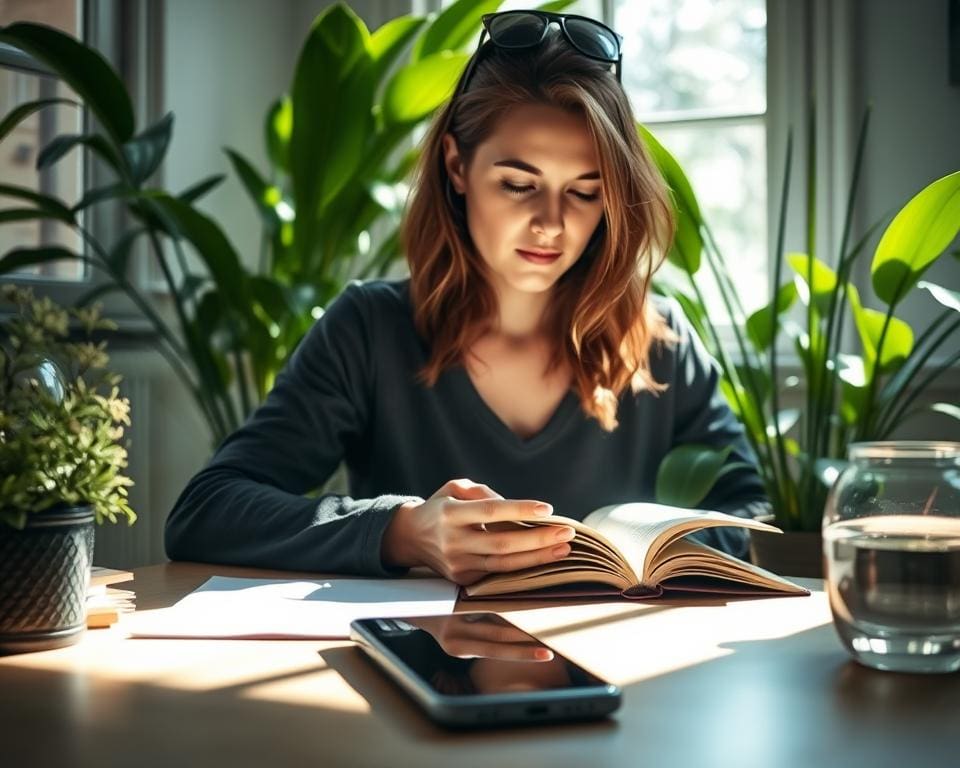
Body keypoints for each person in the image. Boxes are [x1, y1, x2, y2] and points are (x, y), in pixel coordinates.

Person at [165, 9, 769, 584]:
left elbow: (753, 512)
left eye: (584, 193)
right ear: (457, 166)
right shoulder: (369, 329)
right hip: (420, 670)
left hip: (626, 672)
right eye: (517, 184)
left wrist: (651, 560)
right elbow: (206, 511)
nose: (551, 224)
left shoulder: (659, 339)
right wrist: (404, 532)